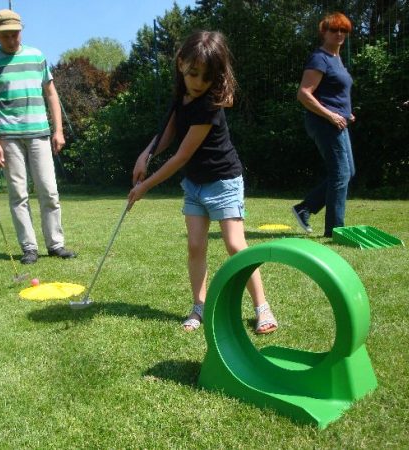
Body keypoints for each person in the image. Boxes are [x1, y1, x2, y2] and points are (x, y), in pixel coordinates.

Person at [127, 31, 277, 334]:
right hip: (195, 184)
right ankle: (200, 307)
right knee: (195, 246)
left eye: (206, 78)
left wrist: (145, 186)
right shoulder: (181, 94)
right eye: (193, 74)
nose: (197, 82)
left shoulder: (209, 105)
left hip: (223, 182)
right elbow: (168, 132)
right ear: (181, 63)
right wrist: (146, 154)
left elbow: (181, 156)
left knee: (235, 245)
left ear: (215, 78)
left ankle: (262, 307)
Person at [0, 9, 76, 265]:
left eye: (15, 34)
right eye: (5, 36)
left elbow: (51, 94)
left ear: (21, 30)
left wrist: (58, 130)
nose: (12, 39)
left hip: (39, 134)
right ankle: (29, 247)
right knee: (18, 194)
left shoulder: (36, 55)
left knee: (49, 191)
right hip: (9, 137)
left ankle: (55, 244)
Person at [293, 12, 356, 238]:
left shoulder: (337, 59)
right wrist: (330, 115)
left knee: (347, 173)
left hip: (339, 122)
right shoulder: (319, 58)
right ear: (324, 32)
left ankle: (305, 207)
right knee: (340, 173)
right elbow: (303, 94)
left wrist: (346, 114)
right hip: (324, 122)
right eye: (334, 30)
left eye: (344, 30)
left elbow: (334, 94)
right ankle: (335, 230)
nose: (339, 34)